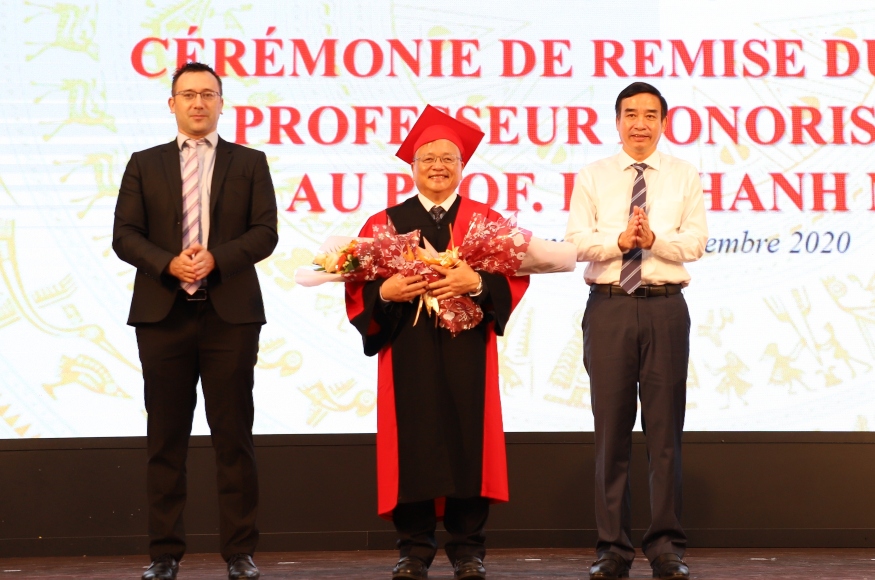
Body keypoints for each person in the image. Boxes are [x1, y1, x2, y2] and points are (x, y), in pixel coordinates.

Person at [345, 105, 529, 580]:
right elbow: (357, 287)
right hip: (408, 350)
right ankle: (414, 549)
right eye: (428, 159)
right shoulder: (385, 224)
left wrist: (475, 284)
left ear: (462, 166)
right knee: (415, 441)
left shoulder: (485, 222)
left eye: (448, 158)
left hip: (469, 351)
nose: (438, 167)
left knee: (469, 438)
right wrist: (383, 292)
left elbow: (513, 280)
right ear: (412, 167)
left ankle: (469, 549)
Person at [113, 62, 277, 580]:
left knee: (234, 437)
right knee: (165, 439)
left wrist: (217, 258)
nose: (199, 103)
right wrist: (167, 262)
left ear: (222, 102)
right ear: (172, 104)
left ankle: (240, 553)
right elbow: (125, 235)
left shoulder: (250, 162)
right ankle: (164, 554)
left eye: (208, 94)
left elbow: (265, 232)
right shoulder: (144, 163)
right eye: (188, 95)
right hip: (163, 315)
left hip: (230, 315)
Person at [565, 82, 708, 580]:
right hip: (609, 308)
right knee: (611, 434)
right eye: (631, 114)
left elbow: (696, 243)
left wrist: (654, 240)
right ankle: (612, 548)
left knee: (665, 431)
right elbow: (577, 242)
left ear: (664, 122)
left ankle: (666, 546)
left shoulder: (684, 175)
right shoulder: (593, 175)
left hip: (665, 307)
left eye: (651, 114)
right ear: (617, 120)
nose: (641, 123)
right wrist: (619, 240)